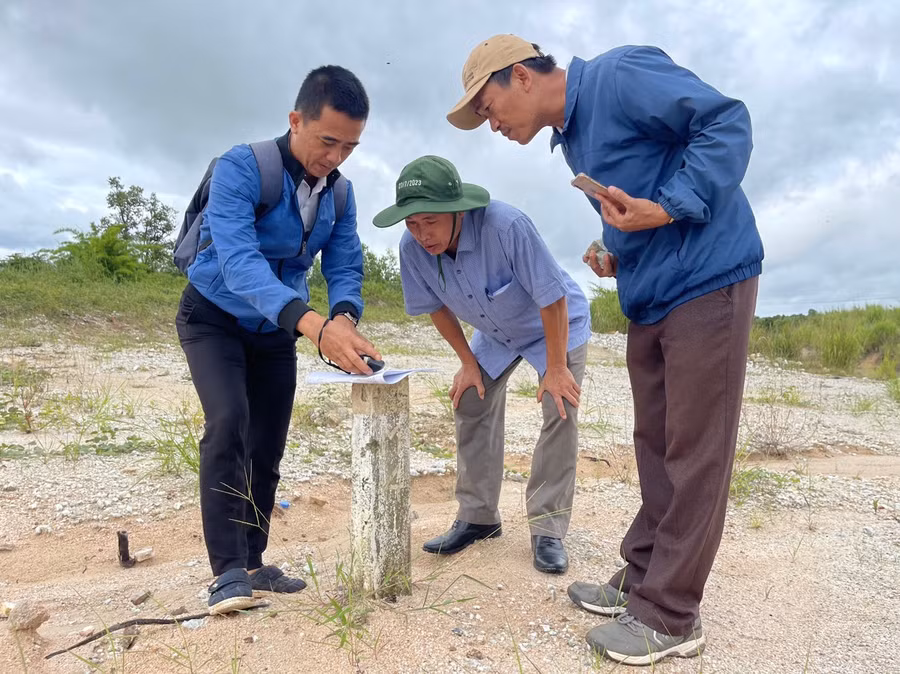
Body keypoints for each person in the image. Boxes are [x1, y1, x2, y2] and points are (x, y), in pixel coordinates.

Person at [447, 35, 763, 665]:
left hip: (710, 279)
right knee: (656, 444)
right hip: (654, 294)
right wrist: (615, 250)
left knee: (695, 451)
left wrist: (668, 208)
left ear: (520, 77)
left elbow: (727, 122)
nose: (492, 125)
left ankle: (671, 615)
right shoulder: (574, 138)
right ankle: (643, 579)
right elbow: (640, 202)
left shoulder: (619, 76)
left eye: (488, 107)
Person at [176, 65, 380, 614]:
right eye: (328, 140)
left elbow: (344, 260)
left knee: (267, 443)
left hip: (275, 330)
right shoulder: (242, 168)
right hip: (213, 317)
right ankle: (226, 573)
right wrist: (316, 327)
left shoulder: (341, 194)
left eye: (350, 146)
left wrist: (345, 317)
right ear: (296, 120)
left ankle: (253, 559)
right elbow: (239, 265)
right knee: (228, 426)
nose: (336, 156)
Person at [372, 155, 592, 574]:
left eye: (430, 222)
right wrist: (467, 363)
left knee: (559, 407)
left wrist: (557, 368)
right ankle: (478, 517)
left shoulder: (506, 226)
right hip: (496, 332)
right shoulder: (412, 248)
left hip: (555, 326)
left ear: (455, 209)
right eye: (412, 224)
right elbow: (435, 307)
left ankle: (547, 529)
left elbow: (553, 296)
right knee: (471, 399)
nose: (422, 235)